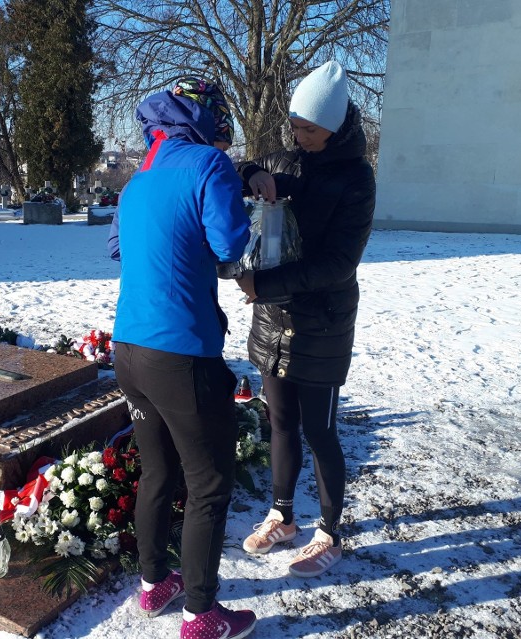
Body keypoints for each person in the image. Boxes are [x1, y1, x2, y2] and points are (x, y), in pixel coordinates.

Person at [107, 78, 256, 639]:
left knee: (158, 471)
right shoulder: (209, 166)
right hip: (182, 353)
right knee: (210, 482)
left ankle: (153, 585)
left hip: (129, 350)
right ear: (206, 117)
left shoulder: (136, 180)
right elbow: (229, 246)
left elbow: (122, 248)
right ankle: (200, 614)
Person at [234, 61, 376, 577]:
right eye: (294, 125)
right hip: (273, 321)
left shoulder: (357, 178)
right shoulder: (283, 157)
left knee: (320, 430)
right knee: (279, 424)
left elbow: (340, 263)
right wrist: (253, 172)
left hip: (323, 323)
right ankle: (283, 516)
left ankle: (330, 531)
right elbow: (238, 169)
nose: (298, 136)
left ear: (335, 127)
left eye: (309, 129)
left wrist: (263, 285)